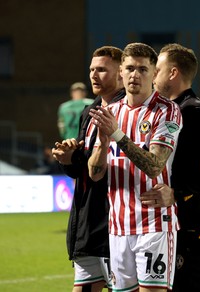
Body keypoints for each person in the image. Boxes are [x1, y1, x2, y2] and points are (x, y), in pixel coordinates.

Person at [87, 42, 182, 292]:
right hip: (117, 227)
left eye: (142, 69)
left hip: (154, 224)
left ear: (154, 74)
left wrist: (116, 134)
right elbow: (95, 174)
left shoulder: (166, 111)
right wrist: (102, 142)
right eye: (129, 68)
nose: (135, 75)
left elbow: (154, 166)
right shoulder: (111, 112)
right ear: (121, 72)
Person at [140, 43, 200, 292]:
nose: (152, 75)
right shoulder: (168, 112)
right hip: (177, 224)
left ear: (173, 73)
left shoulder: (196, 114)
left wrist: (176, 193)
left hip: (195, 227)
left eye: (157, 69)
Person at [52, 45, 125, 291]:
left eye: (102, 70)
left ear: (121, 74)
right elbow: (84, 169)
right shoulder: (89, 111)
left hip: (116, 225)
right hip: (87, 223)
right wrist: (69, 158)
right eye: (92, 69)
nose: (94, 75)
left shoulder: (129, 112)